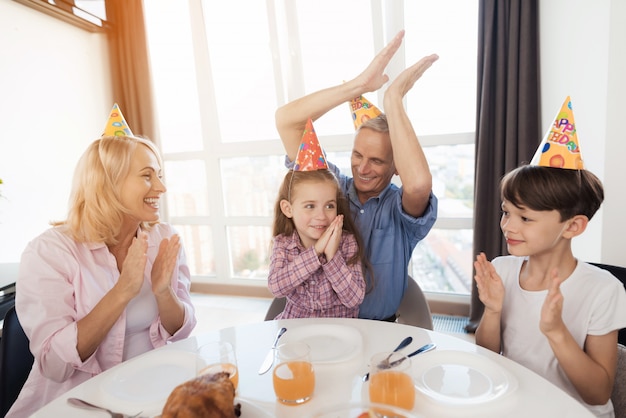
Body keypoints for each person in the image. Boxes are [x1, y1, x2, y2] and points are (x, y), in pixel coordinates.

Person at [8, 134, 197, 417]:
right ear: (108, 182)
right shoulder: (49, 252)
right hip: (77, 404)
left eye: (159, 175)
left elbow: (182, 329)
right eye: (147, 176)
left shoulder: (164, 238)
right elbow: (55, 366)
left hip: (149, 394)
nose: (161, 187)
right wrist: (122, 291)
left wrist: (163, 292)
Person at [275, 30, 438, 320]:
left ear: (397, 166)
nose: (362, 168)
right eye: (357, 155)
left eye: (376, 161)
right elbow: (286, 120)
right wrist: (358, 86)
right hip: (322, 326)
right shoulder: (330, 188)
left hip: (380, 331)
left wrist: (394, 99)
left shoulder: (400, 210)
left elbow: (419, 184)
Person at [474, 164, 626, 417]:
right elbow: (488, 356)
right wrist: (492, 310)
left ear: (572, 226)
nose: (508, 226)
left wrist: (556, 332)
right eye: (506, 212)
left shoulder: (603, 289)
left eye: (525, 218)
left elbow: (598, 394)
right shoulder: (503, 269)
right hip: (518, 406)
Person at [268, 166, 367, 319]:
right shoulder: (284, 244)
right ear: (288, 209)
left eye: (329, 206)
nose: (321, 216)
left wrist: (332, 257)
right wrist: (316, 252)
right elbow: (276, 287)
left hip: (341, 332)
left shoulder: (347, 242)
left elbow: (354, 299)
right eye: (310, 206)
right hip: (296, 329)